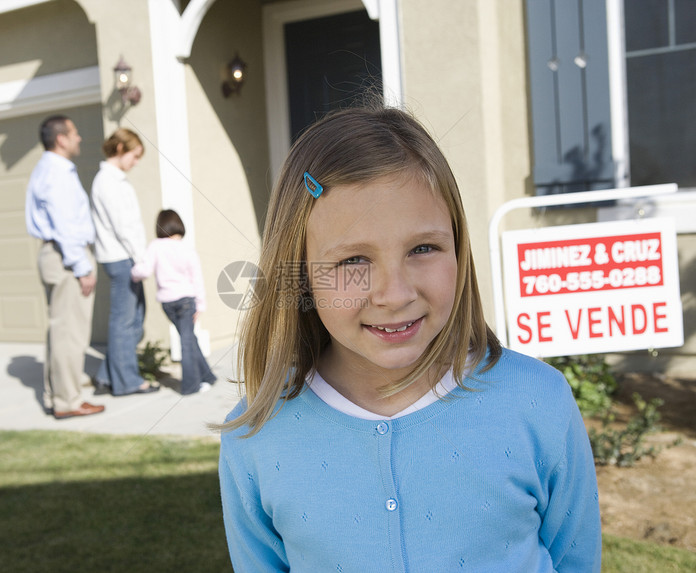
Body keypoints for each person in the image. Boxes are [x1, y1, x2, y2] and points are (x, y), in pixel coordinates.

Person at [216, 107, 601, 571]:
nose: (394, 294)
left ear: (458, 247)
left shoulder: (539, 402)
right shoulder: (255, 436)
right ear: (300, 275)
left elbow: (576, 559)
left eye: (423, 248)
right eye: (353, 260)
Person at [25, 114, 104, 420]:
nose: (79, 138)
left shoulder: (48, 169)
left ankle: (56, 396)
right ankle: (68, 401)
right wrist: (82, 266)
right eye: (74, 133)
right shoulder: (56, 172)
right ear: (61, 138)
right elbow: (65, 225)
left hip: (59, 255)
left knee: (61, 331)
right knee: (70, 333)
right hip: (66, 256)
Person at [90, 128, 158, 396]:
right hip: (122, 259)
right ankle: (128, 382)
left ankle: (106, 377)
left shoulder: (116, 180)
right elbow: (123, 226)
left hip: (126, 258)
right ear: (120, 149)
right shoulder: (107, 182)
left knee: (134, 320)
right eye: (135, 155)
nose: (136, 161)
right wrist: (142, 258)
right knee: (124, 322)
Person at [131, 210, 217, 395]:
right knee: (187, 341)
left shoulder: (155, 246)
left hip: (167, 304)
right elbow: (197, 279)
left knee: (188, 339)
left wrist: (132, 272)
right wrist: (201, 305)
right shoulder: (187, 249)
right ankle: (191, 387)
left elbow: (143, 271)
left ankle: (208, 376)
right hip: (187, 301)